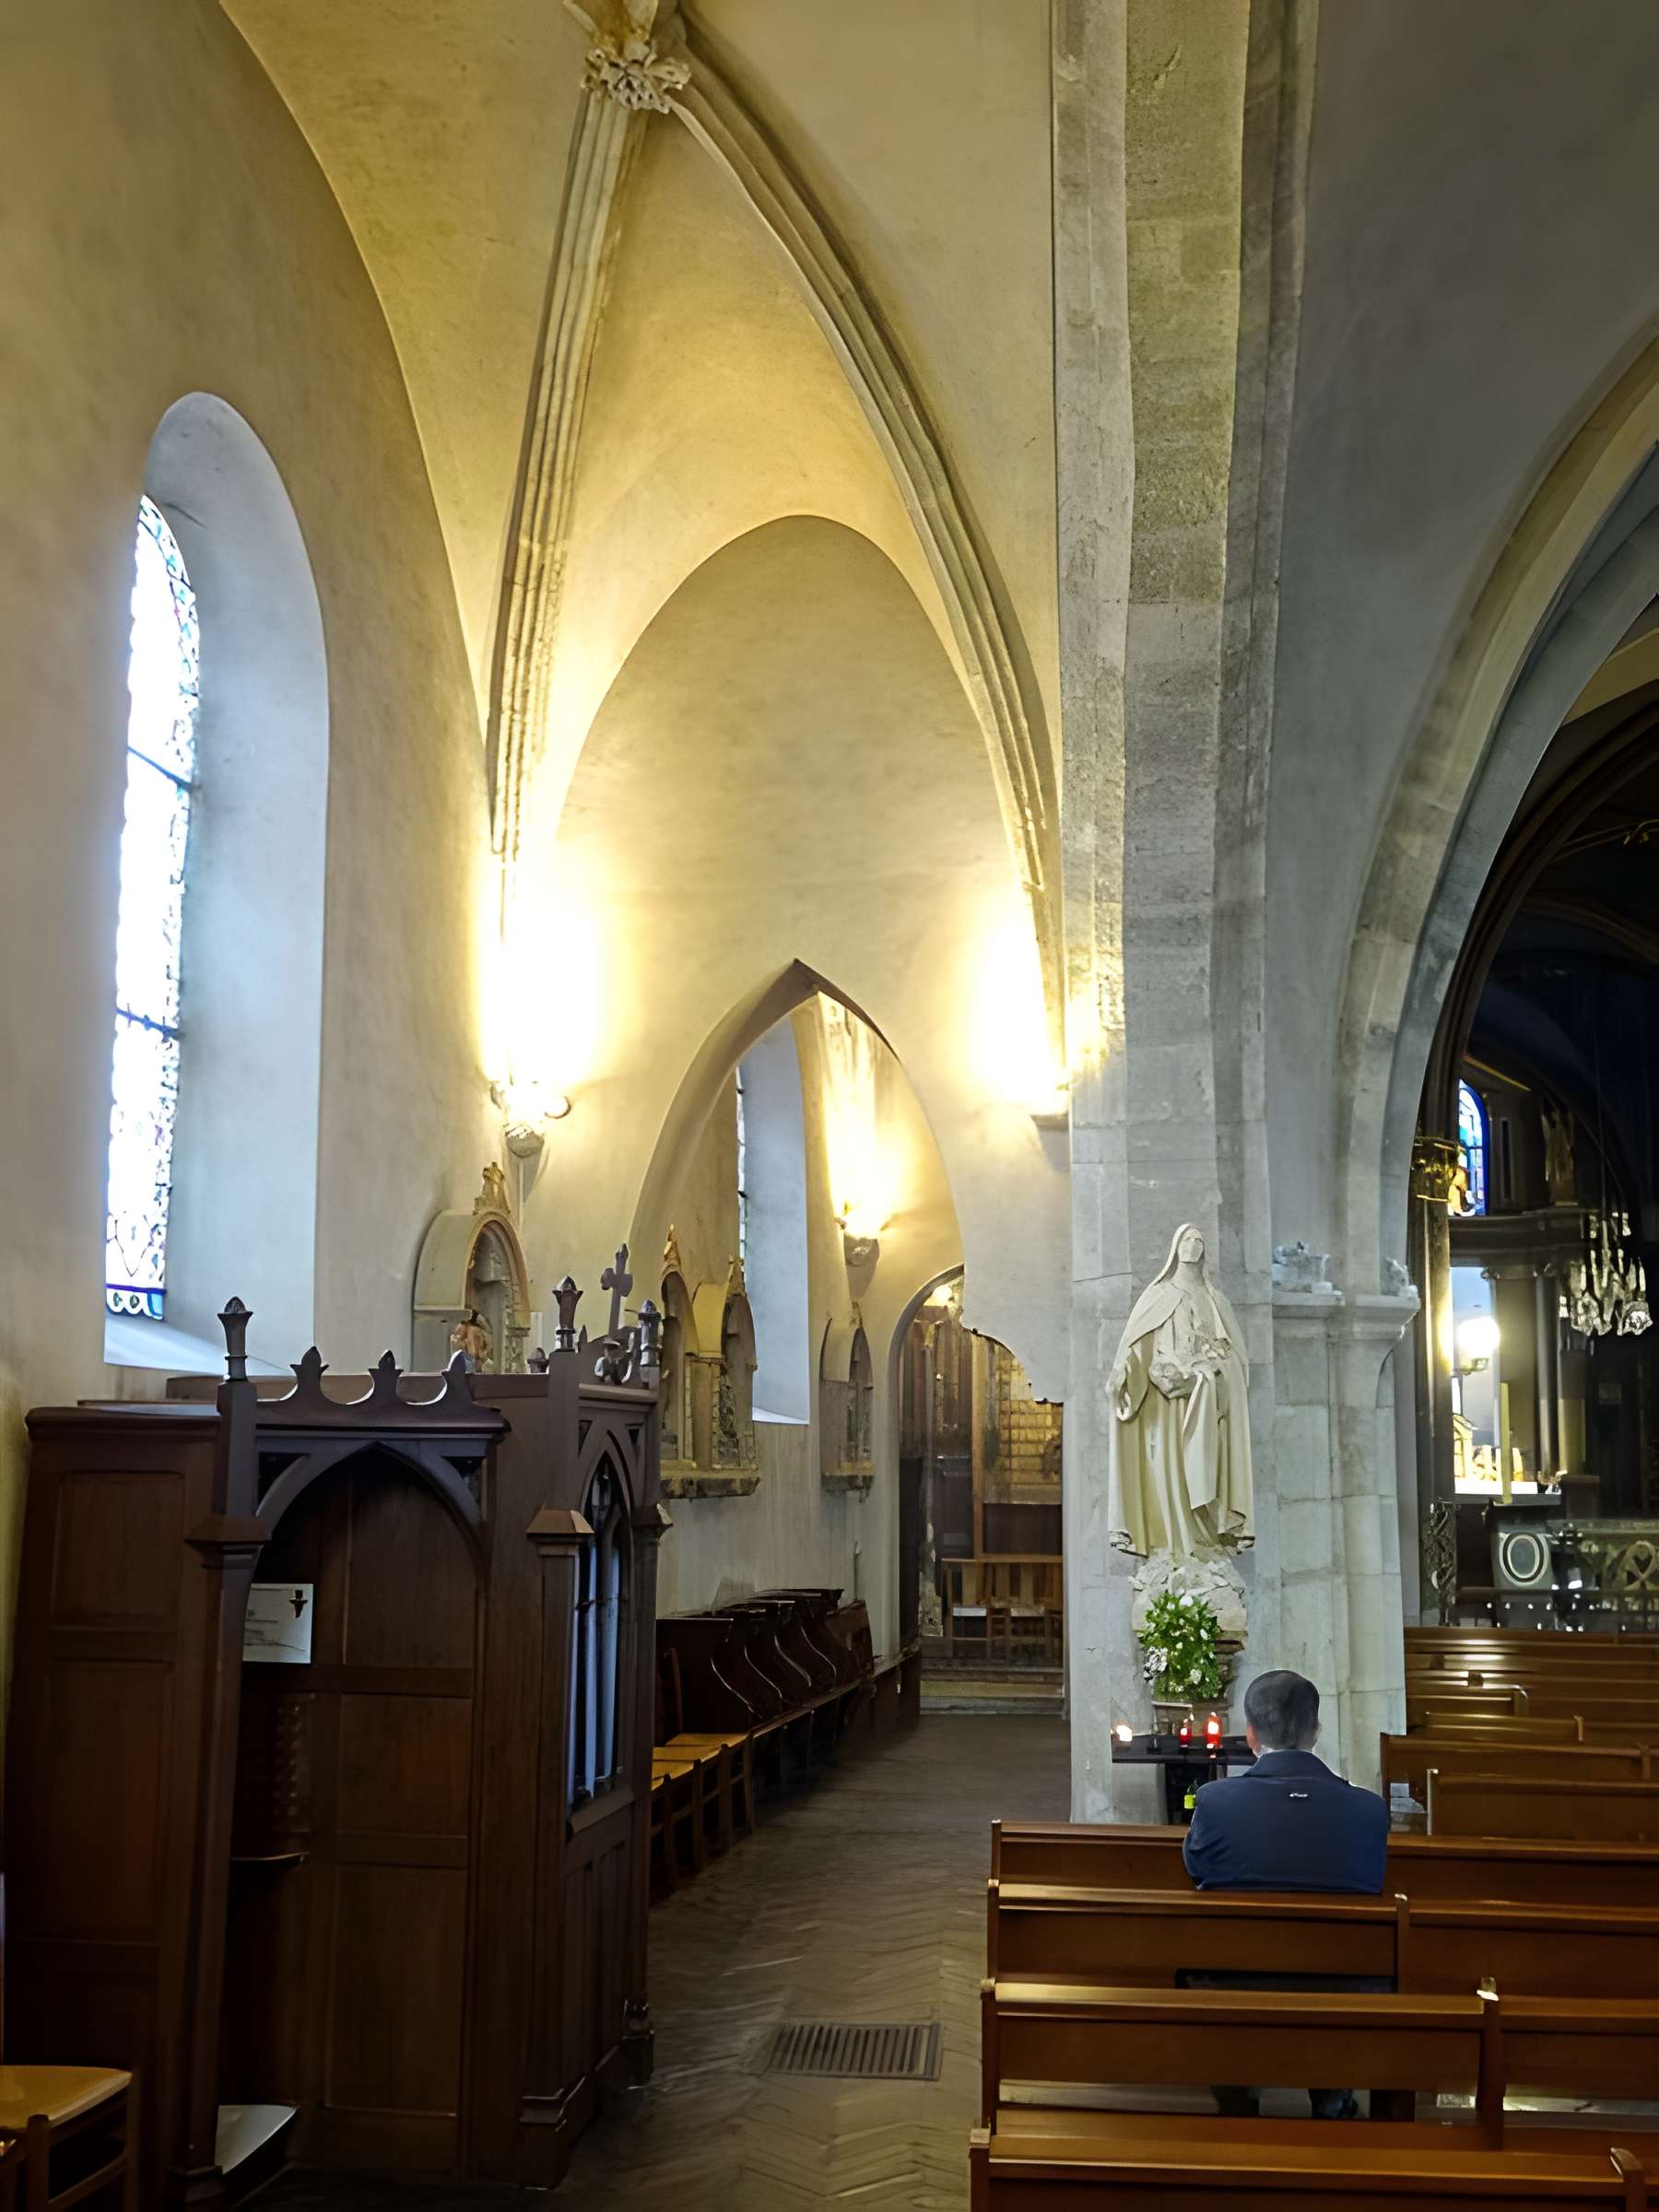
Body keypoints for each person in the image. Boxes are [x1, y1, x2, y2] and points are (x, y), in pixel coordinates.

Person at [1181, 1668, 1389, 2122]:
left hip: (1236, 1987)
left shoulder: (1215, 1804)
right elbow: (1371, 1881)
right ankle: (1333, 2099)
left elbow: (1198, 1871)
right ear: (1315, 1731)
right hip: (1343, 1993)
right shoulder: (1369, 1811)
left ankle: (1237, 2100)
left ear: (1251, 1736)